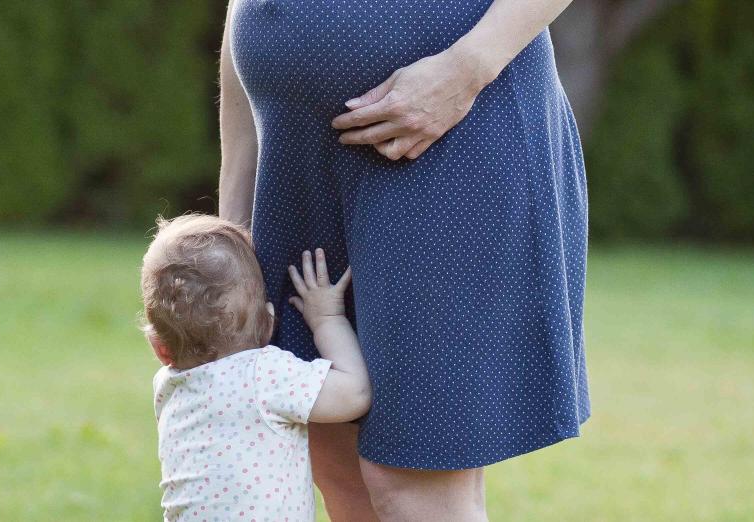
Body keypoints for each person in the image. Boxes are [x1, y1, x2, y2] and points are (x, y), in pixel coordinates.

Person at [217, 1, 591, 520]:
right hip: (294, 164)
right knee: (333, 456)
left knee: (412, 482)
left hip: (449, 136)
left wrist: (467, 67)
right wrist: (232, 225)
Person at [141, 213, 370, 521]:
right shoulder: (264, 374)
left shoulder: (167, 387)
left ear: (160, 348)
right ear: (268, 326)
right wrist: (327, 318)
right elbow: (356, 394)